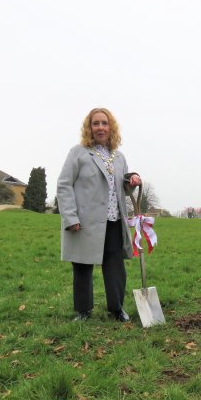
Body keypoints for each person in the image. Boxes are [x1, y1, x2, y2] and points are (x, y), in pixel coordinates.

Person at [57, 107, 141, 322]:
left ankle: (117, 308)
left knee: (115, 267)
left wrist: (131, 180)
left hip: (113, 221)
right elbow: (64, 185)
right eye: (96, 123)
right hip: (85, 222)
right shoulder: (78, 153)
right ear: (89, 127)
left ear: (111, 127)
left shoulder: (119, 157)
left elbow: (121, 187)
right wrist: (71, 217)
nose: (101, 127)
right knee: (83, 266)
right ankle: (83, 310)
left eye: (104, 123)